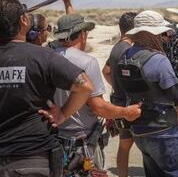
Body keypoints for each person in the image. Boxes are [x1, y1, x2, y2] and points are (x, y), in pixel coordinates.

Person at [0, 0, 93, 176]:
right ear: (23, 21)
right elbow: (84, 86)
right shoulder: (42, 56)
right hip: (32, 157)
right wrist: (62, 115)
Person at [117, 10, 178, 177]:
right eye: (161, 33)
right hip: (164, 133)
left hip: (140, 131)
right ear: (149, 34)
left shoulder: (125, 55)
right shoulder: (158, 60)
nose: (163, 36)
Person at [51, 13, 141, 170]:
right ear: (83, 34)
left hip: (53, 140)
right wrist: (126, 111)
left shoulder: (46, 57)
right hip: (82, 144)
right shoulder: (86, 62)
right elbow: (97, 106)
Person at [102, 12, 137, 177]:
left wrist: (117, 85)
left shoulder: (116, 47)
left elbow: (106, 71)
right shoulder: (131, 50)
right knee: (146, 145)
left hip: (118, 102)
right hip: (132, 105)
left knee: (124, 146)